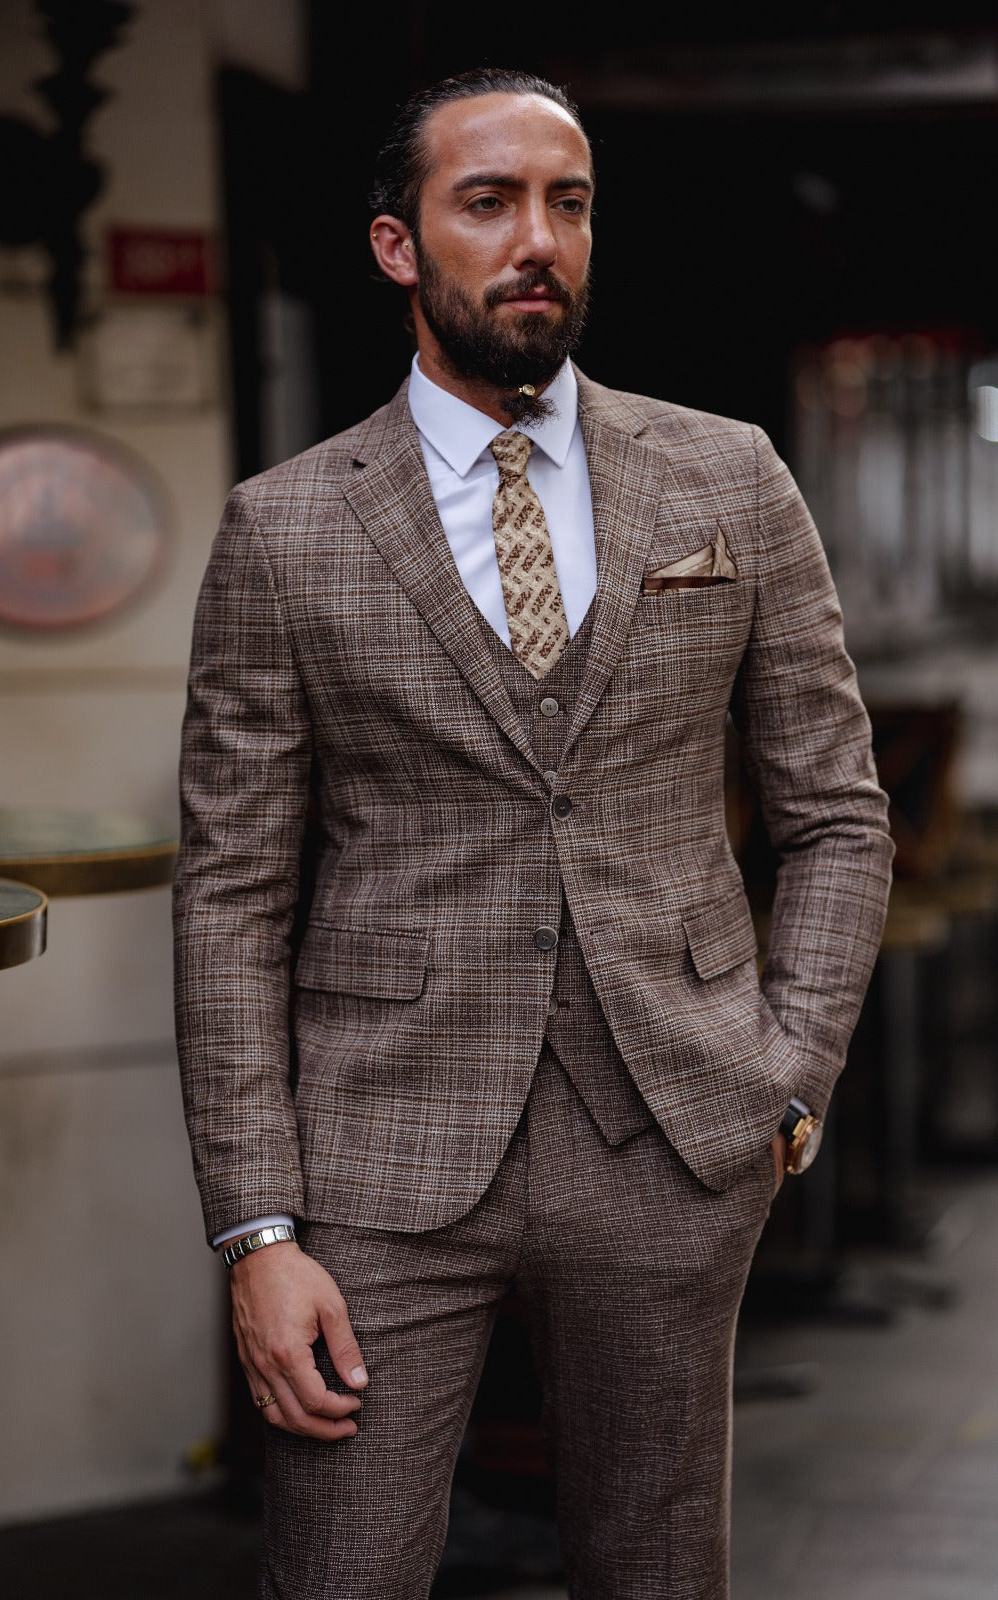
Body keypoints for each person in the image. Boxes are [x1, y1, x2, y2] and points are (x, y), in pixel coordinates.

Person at [173, 67, 893, 1599]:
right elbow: (232, 890)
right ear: (396, 244)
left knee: (654, 1574)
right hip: (374, 1156)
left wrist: (787, 1077)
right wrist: (256, 1229)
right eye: (487, 201)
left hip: (672, 1129)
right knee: (344, 1575)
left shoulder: (726, 474)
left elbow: (834, 813)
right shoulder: (286, 526)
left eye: (565, 203)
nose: (536, 240)